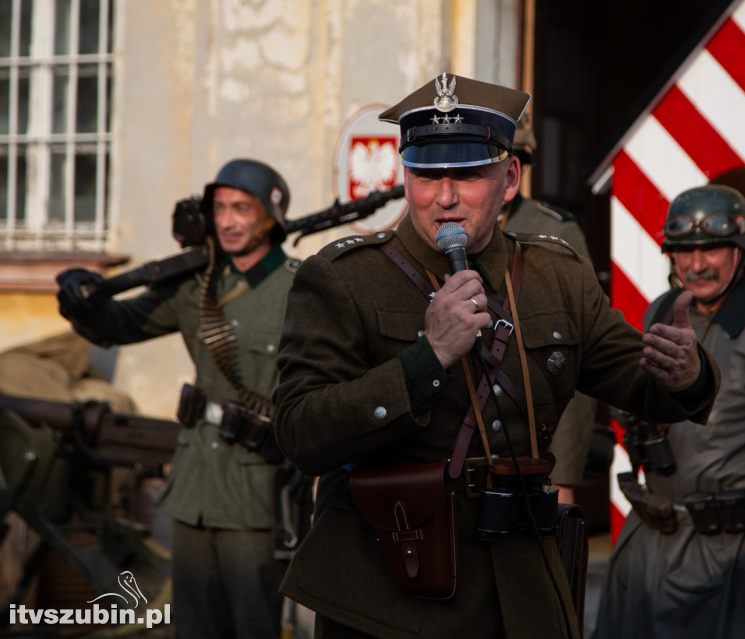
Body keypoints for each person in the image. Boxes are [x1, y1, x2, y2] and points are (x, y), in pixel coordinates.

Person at [271, 72, 720, 639]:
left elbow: (639, 379)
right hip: (389, 590)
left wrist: (686, 373)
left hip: (521, 585)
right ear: (406, 177)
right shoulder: (343, 279)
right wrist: (427, 357)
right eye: (427, 175)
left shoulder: (555, 274)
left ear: (508, 179)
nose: (445, 197)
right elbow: (300, 431)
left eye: (467, 175)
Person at [56, 159, 297, 639]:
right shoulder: (197, 285)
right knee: (191, 627)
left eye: (241, 209)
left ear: (270, 216)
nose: (226, 221)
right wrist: (82, 300)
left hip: (258, 490)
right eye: (219, 209)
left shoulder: (301, 286)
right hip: (194, 484)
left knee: (253, 624)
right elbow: (120, 325)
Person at [595, 184, 745, 639]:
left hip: (739, 554)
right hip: (653, 548)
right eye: (683, 251)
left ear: (740, 249)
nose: (696, 264)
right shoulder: (662, 313)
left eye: (711, 248)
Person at [500, 121, 599, 504]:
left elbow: (577, 352)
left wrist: (565, 472)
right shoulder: (447, 226)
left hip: (535, 439)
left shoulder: (553, 232)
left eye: (515, 161)